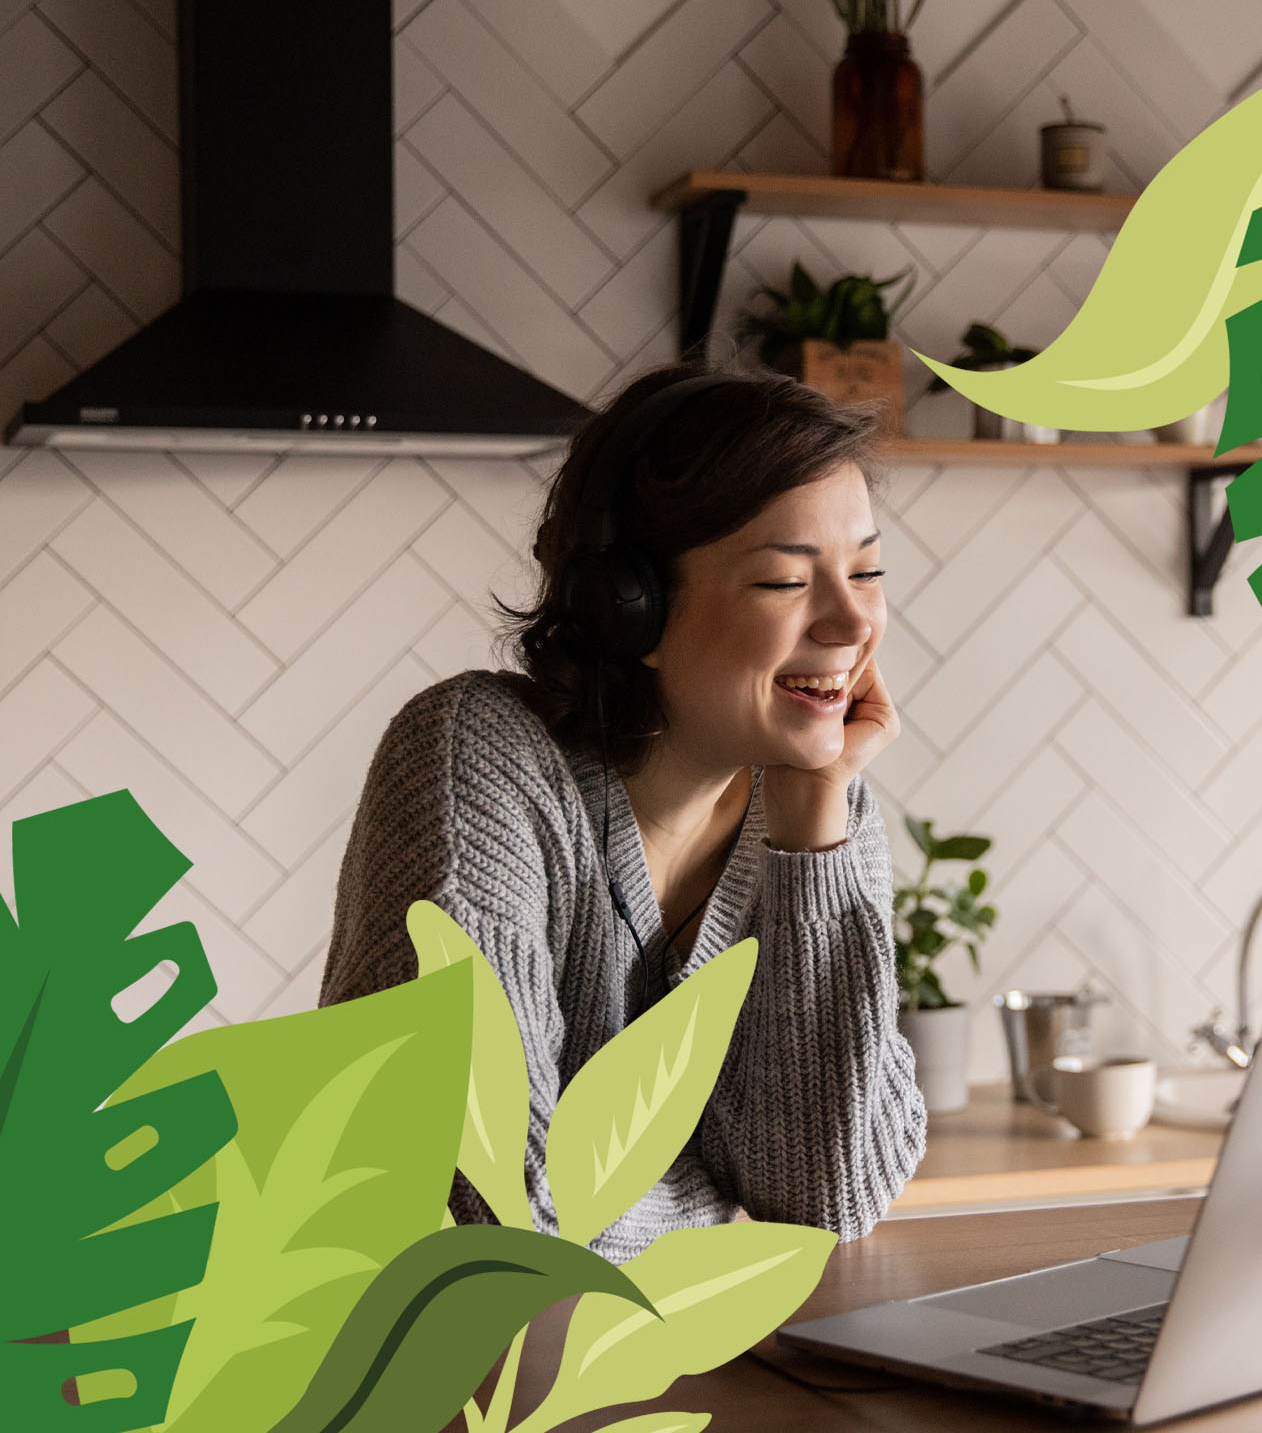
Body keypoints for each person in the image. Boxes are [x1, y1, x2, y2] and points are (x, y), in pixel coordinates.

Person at [316, 365, 926, 1262]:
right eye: (785, 584)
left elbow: (830, 1195)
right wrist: (716, 1212)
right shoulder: (478, 758)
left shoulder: (818, 805)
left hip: (664, 1365)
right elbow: (494, 1217)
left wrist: (814, 829)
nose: (850, 623)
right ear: (630, 607)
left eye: (866, 569)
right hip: (433, 1377)